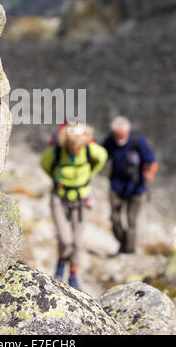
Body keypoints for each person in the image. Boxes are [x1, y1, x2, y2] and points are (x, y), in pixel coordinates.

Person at [40, 122, 108, 289]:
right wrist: (58, 179)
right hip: (60, 198)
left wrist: (89, 174)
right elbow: (44, 164)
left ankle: (73, 276)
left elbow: (103, 157)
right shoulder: (57, 150)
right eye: (72, 147)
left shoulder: (89, 149)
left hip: (81, 199)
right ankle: (61, 262)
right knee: (65, 238)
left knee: (77, 242)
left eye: (78, 146)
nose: (75, 149)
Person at [103, 116, 159, 254]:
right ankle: (124, 243)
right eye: (117, 136)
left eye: (122, 136)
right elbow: (100, 155)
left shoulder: (138, 141)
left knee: (131, 220)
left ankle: (129, 250)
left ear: (127, 132)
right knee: (115, 218)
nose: (119, 139)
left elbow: (152, 161)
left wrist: (150, 174)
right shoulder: (110, 141)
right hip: (116, 186)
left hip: (136, 187)